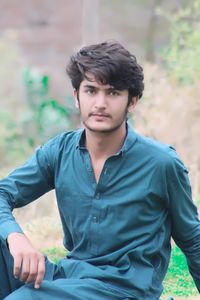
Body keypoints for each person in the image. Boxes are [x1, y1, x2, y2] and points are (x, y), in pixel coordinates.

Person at [0, 40, 199, 300]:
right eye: (91, 91)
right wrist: (16, 237)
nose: (100, 103)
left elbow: (192, 239)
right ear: (76, 96)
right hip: (70, 278)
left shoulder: (161, 164)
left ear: (132, 101)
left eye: (113, 93)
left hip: (124, 290)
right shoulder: (60, 151)